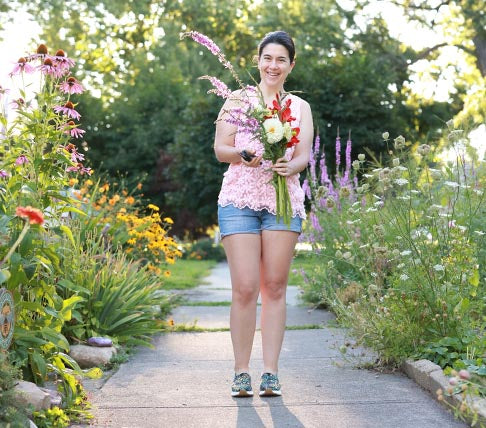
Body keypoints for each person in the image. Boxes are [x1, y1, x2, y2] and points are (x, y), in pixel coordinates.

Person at [214, 30, 313, 397]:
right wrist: (241, 154)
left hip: (282, 201)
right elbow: (220, 148)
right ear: (258, 61)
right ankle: (241, 372)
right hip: (239, 199)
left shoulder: (299, 107)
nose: (273, 65)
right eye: (267, 58)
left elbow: (304, 154)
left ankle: (270, 372)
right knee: (244, 288)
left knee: (274, 287)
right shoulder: (237, 100)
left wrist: (293, 164)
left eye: (281, 60)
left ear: (291, 65)